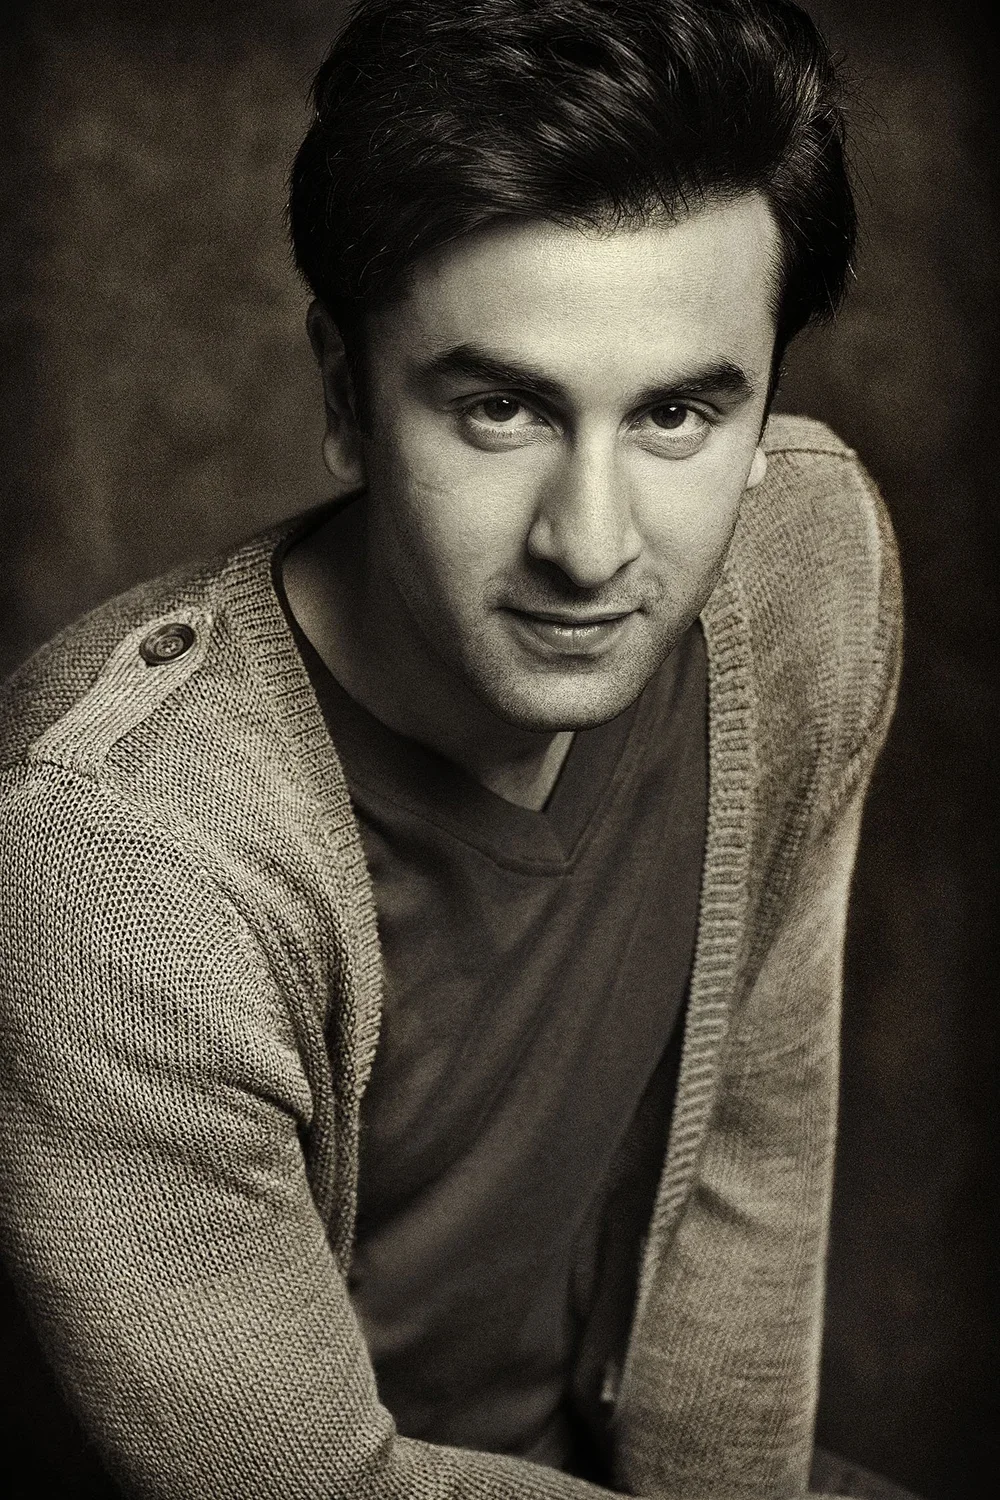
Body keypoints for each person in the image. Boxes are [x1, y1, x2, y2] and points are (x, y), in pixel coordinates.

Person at [0, 0, 908, 1496]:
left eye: (680, 412)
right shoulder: (114, 858)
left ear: (764, 414)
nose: (593, 543)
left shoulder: (803, 568)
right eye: (500, 408)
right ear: (348, 395)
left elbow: (750, 1161)